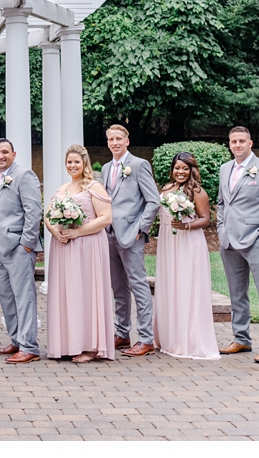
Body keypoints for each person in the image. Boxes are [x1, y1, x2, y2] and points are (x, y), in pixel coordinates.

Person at [217, 126, 259, 363]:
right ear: (229, 144)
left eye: (241, 141)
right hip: (229, 241)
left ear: (250, 143)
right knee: (236, 293)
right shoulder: (225, 169)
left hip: (256, 240)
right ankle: (241, 339)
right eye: (233, 141)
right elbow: (221, 203)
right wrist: (220, 228)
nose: (237, 145)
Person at [45, 144, 115, 363]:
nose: (72, 165)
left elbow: (105, 218)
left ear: (84, 162)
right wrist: (55, 231)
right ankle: (68, 342)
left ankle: (90, 346)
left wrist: (77, 233)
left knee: (86, 292)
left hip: (88, 247)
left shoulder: (94, 187)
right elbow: (48, 214)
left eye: (76, 161)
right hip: (63, 247)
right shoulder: (62, 189)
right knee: (68, 293)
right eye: (69, 162)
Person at [153, 152, 220, 360]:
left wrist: (186, 225)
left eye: (184, 168)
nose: (180, 172)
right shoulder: (165, 189)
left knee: (187, 287)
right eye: (177, 168)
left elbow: (206, 219)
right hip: (168, 242)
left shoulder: (198, 192)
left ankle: (188, 339)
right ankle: (168, 337)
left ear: (192, 169)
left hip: (188, 242)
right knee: (169, 286)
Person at [101, 124, 161, 357]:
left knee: (138, 285)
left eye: (118, 138)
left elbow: (153, 201)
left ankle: (145, 339)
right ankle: (122, 334)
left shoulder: (138, 165)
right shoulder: (106, 168)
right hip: (110, 235)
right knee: (118, 287)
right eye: (110, 139)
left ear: (127, 140)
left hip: (131, 235)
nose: (114, 142)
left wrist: (141, 228)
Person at [0, 138, 43, 364]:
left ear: (14, 154)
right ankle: (16, 339)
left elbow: (33, 210)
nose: (0, 156)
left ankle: (30, 346)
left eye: (4, 152)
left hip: (18, 247)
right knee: (6, 297)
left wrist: (27, 244)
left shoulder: (24, 175)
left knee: (24, 297)